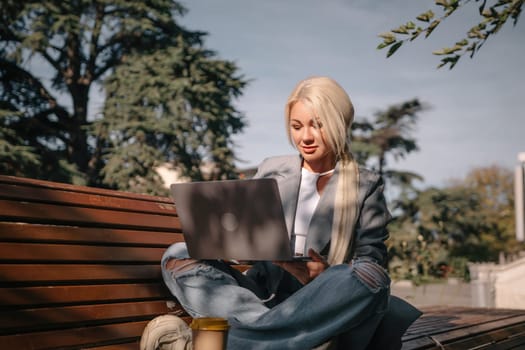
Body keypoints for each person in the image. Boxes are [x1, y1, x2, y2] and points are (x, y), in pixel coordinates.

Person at [151, 76, 420, 350]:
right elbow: (242, 229)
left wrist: (324, 275)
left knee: (370, 278)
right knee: (178, 254)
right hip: (262, 298)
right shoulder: (272, 169)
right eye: (297, 126)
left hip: (321, 305)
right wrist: (237, 247)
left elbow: (370, 261)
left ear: (339, 124)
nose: (305, 137)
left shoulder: (366, 184)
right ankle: (287, 341)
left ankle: (229, 343)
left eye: (318, 125)